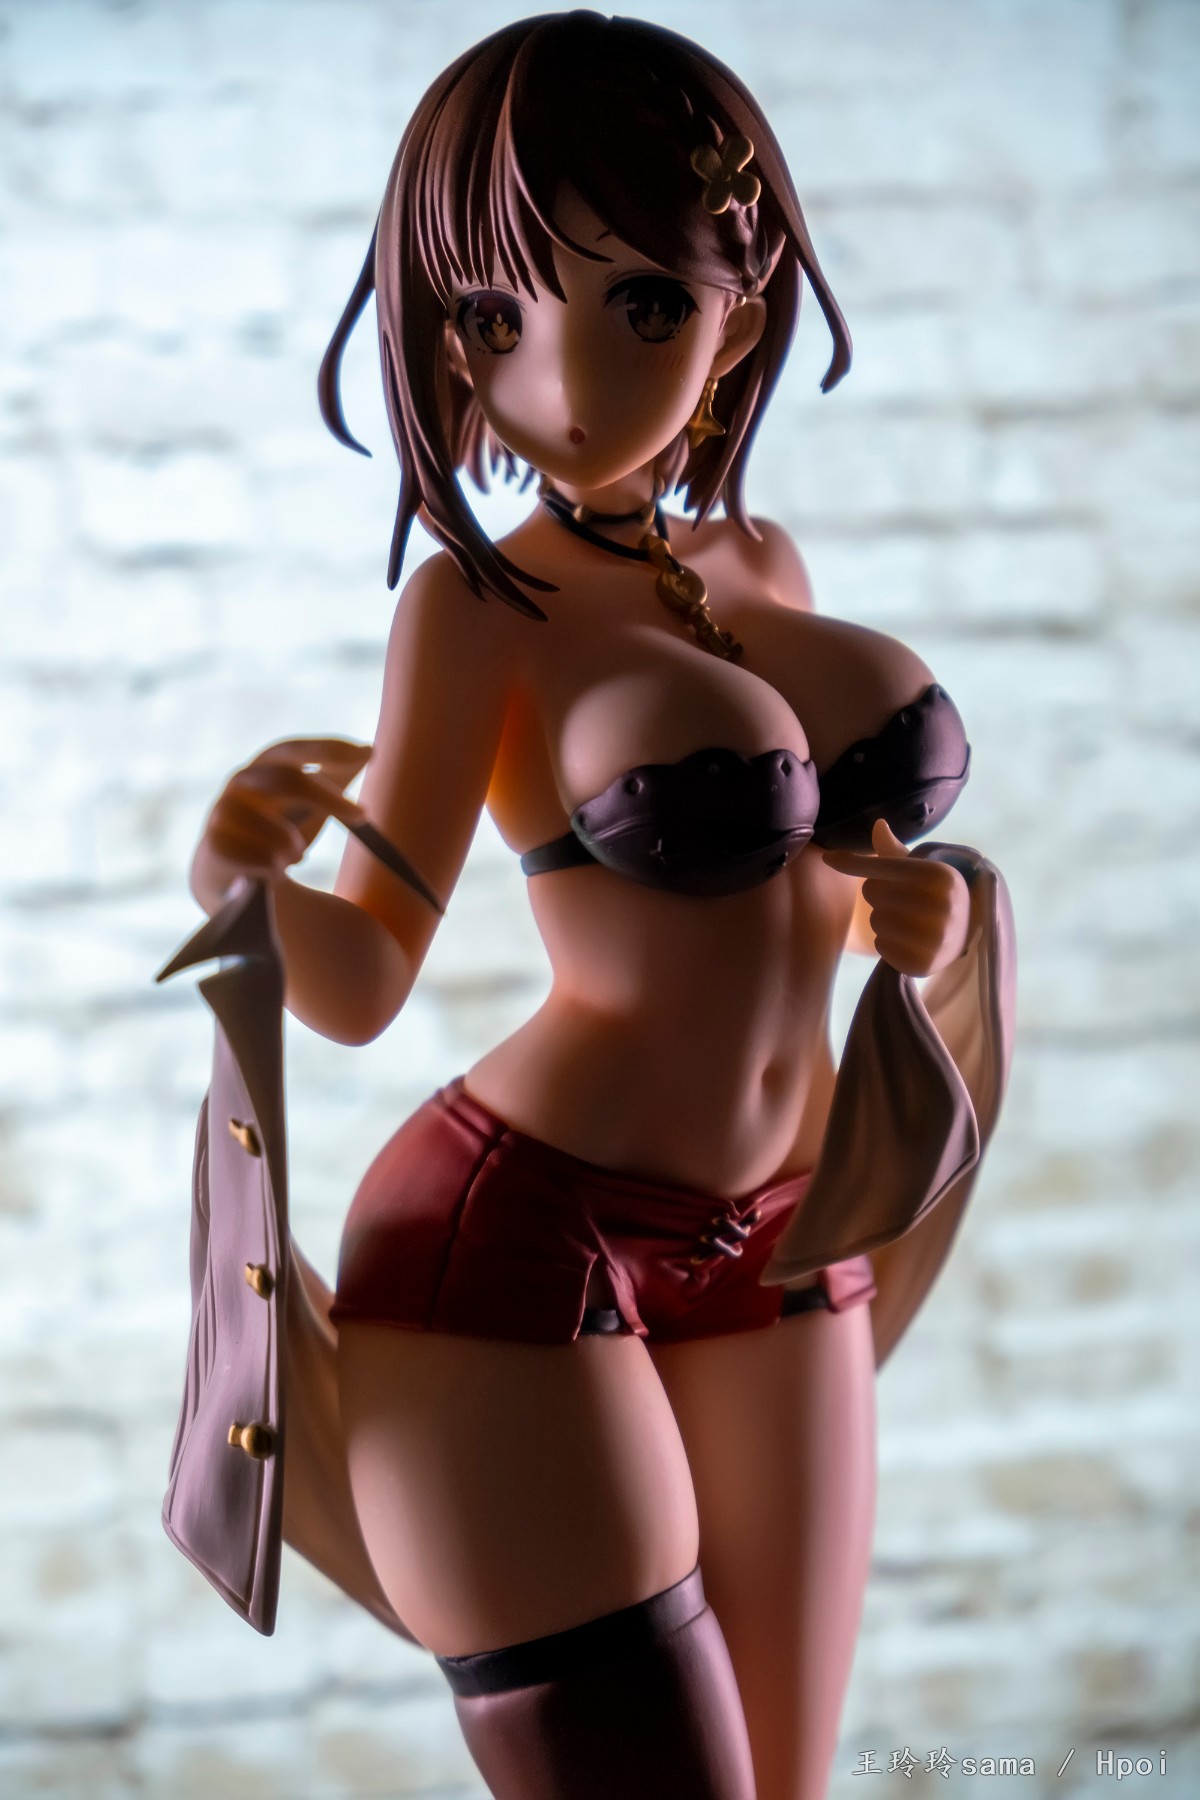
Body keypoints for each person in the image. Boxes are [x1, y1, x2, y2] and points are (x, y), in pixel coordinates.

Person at [180, 16, 1014, 1800]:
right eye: (498, 318)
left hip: (787, 1233)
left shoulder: (763, 560)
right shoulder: (475, 614)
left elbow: (815, 888)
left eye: (636, 302)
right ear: (448, 339)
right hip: (519, 1246)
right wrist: (237, 885)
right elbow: (361, 977)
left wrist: (920, 928)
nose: (561, 379)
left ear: (738, 308)